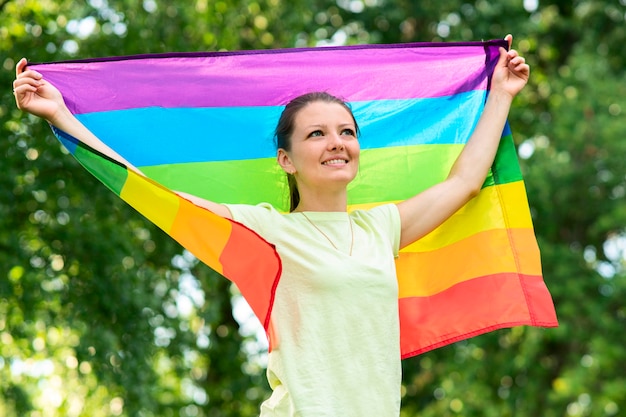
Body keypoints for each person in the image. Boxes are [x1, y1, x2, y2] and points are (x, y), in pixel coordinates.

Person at [13, 35, 529, 416]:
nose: (337, 142)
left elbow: (464, 182)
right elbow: (155, 190)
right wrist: (62, 116)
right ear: (285, 159)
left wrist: (501, 92)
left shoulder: (381, 228)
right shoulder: (268, 230)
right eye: (318, 134)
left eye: (347, 132)